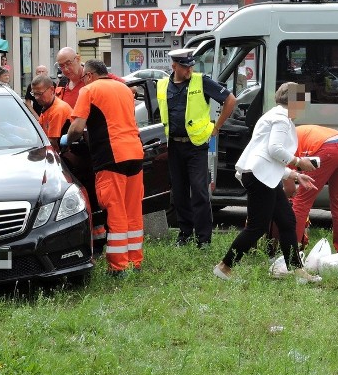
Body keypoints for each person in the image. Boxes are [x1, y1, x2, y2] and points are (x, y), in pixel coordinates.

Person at [213, 82, 321, 284]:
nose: (304, 107)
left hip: (263, 175)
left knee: (287, 221)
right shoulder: (280, 118)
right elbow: (274, 150)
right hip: (259, 177)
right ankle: (225, 266)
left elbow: (268, 157)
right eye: (302, 102)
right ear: (292, 101)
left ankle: (297, 271)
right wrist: (299, 163)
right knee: (257, 226)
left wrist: (295, 175)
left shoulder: (279, 116)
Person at [67, 60, 144, 276]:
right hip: (135, 152)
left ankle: (119, 266)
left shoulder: (89, 90)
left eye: (84, 77)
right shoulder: (124, 89)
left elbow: (78, 126)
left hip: (111, 156)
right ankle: (135, 261)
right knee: (133, 210)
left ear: (89, 75)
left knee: (116, 210)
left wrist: (68, 139)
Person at [157, 48, 236, 248]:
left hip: (197, 145)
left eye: (191, 65)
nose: (189, 69)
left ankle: (204, 239)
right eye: (185, 66)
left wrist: (217, 127)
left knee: (199, 191)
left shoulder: (201, 81)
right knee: (179, 192)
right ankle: (184, 235)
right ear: (174, 66)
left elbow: (230, 100)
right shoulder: (162, 85)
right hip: (174, 144)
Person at [290, 125, 338, 253]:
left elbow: (289, 189)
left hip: (326, 148)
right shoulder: (291, 134)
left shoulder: (280, 149)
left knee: (301, 202)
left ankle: (292, 254)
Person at [32, 73, 73, 147]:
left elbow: (52, 143)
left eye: (39, 93)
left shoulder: (58, 110)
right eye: (34, 94)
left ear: (52, 90)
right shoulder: (47, 106)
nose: (36, 97)